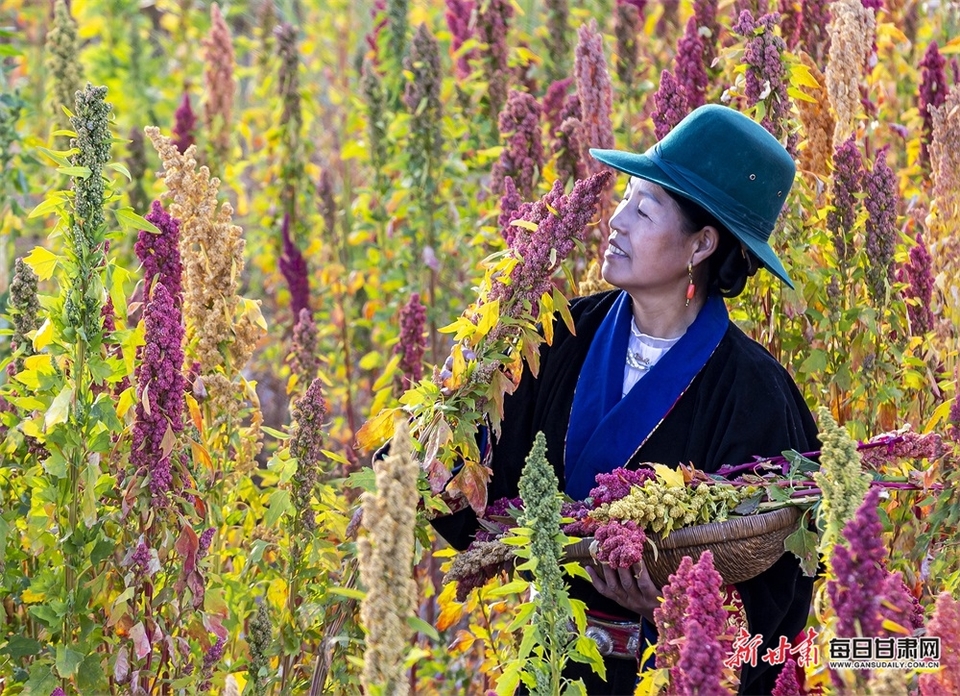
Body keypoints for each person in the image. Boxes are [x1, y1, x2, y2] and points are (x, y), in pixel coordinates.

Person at [432, 104, 819, 695]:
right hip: (548, 665)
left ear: (702, 243)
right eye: (624, 199)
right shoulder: (556, 337)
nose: (615, 220)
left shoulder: (755, 394)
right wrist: (437, 439)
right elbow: (481, 487)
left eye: (643, 208)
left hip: (667, 679)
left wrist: (677, 606)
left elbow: (777, 589)